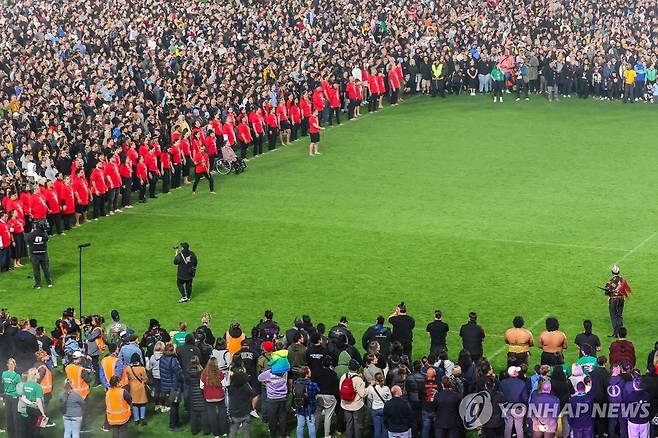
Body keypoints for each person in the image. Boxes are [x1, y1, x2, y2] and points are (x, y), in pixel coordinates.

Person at [313, 355, 339, 438]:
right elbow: (336, 388)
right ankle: (326, 435)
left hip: (318, 396)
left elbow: (313, 384)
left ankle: (313, 434)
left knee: (316, 415)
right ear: (330, 364)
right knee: (328, 416)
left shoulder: (316, 372)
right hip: (329, 396)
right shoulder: (333, 374)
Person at [340, 359, 367, 438]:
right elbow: (363, 394)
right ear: (357, 368)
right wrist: (368, 387)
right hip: (357, 406)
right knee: (358, 425)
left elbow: (340, 389)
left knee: (349, 424)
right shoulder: (358, 379)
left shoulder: (343, 377)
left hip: (345, 404)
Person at [159, 344, 184, 432]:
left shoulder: (162, 359)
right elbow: (179, 373)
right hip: (174, 386)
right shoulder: (173, 360)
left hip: (166, 386)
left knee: (174, 405)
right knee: (174, 406)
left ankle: (176, 423)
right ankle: (173, 426)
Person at [201, 357, 228, 437]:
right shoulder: (220, 373)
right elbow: (225, 384)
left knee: (212, 416)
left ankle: (216, 434)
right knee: (222, 414)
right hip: (220, 396)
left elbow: (201, 386)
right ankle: (224, 431)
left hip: (209, 398)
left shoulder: (204, 373)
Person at [603, 265, 631, 337]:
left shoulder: (612, 281)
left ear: (612, 272)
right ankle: (621, 332)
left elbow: (606, 291)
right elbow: (626, 289)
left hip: (614, 300)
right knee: (619, 315)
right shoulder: (622, 280)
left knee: (614, 315)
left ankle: (616, 332)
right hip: (621, 299)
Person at [292, 365, 320, 438]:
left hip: (299, 407)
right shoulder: (312, 384)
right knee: (311, 426)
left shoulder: (295, 383)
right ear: (306, 374)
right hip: (310, 408)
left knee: (300, 426)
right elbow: (318, 390)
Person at [500, 366, 528, 438]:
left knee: (508, 427)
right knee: (519, 428)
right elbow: (525, 398)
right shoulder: (522, 383)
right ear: (515, 373)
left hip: (507, 408)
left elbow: (501, 397)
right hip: (518, 408)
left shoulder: (502, 383)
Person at [228, 370, 257, 438]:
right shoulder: (246, 388)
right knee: (246, 431)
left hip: (234, 414)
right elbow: (254, 395)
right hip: (245, 413)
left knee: (233, 430)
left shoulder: (230, 389)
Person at [25, 221, 52, 289]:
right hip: (43, 253)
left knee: (36, 270)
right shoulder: (44, 233)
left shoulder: (31, 234)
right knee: (46, 269)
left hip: (34, 254)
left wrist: (32, 231)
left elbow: (26, 238)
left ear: (34, 227)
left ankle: (38, 285)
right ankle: (49, 283)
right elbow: (47, 239)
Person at [126, 353, 148, 426]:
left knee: (134, 403)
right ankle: (142, 417)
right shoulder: (142, 368)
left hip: (132, 387)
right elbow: (145, 378)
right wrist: (143, 382)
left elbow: (127, 377)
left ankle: (136, 419)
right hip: (140, 386)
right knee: (142, 403)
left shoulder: (128, 368)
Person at [367, 372, 392, 438]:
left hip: (375, 409)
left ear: (375, 380)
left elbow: (369, 398)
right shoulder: (386, 388)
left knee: (377, 428)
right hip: (384, 409)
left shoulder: (371, 389)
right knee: (385, 428)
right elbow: (390, 399)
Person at [2, 358, 21, 437]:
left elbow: (3, 384)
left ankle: (11, 434)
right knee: (15, 416)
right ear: (15, 365)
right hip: (14, 397)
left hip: (7, 397)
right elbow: (19, 388)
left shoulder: (4, 374)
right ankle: (17, 434)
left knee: (8, 416)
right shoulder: (17, 376)